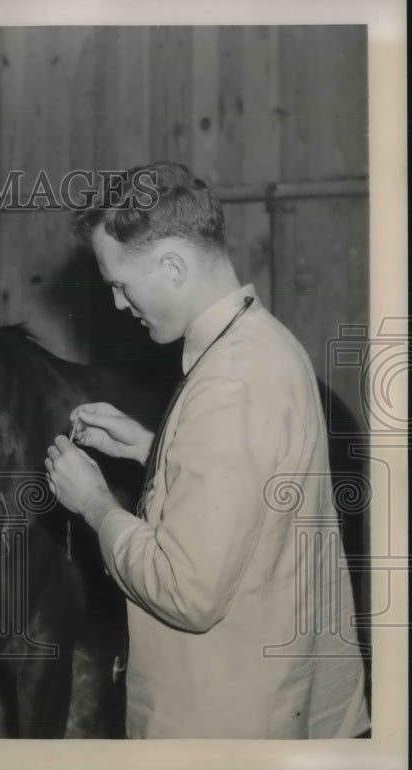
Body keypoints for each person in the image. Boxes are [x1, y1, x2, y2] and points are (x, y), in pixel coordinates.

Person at [44, 162, 369, 739]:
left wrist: (94, 504)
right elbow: (251, 492)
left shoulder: (227, 385)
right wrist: (154, 450)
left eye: (120, 284)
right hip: (269, 692)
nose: (119, 304)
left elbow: (184, 591)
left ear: (172, 266)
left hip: (218, 721)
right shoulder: (263, 341)